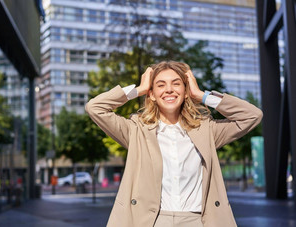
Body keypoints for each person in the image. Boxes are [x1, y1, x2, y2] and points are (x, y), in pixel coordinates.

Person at [85, 61, 263, 227]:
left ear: (186, 91)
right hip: (151, 221)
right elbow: (95, 108)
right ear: (152, 94)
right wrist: (139, 89)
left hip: (198, 220)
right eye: (160, 85)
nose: (169, 89)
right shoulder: (135, 130)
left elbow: (252, 116)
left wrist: (201, 95)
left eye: (176, 83)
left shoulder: (207, 130)